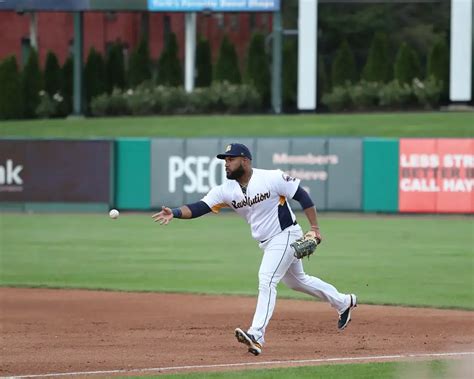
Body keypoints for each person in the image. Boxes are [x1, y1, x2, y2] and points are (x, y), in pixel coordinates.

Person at [152, 143, 357, 356]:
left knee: (267, 279)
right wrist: (174, 212)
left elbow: (302, 196)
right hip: (267, 243)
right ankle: (344, 302)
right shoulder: (225, 191)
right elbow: (199, 207)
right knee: (297, 281)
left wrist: (314, 228)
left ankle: (256, 335)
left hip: (286, 234)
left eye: (231, 159)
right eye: (225, 160)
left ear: (246, 161)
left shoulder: (271, 178)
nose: (226, 164)